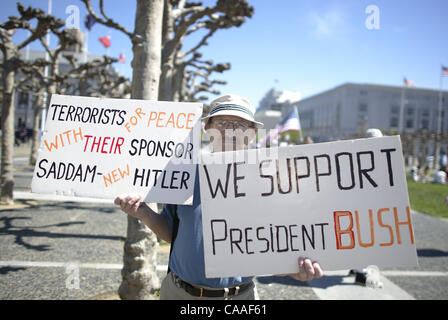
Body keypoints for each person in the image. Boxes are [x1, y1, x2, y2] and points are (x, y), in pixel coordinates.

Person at [114, 94, 323, 300]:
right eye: (222, 122)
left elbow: (270, 247)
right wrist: (145, 214)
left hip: (239, 297)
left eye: (239, 124)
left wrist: (292, 267)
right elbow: (174, 235)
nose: (230, 130)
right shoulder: (185, 174)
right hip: (177, 293)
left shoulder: (268, 182)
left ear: (252, 133)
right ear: (208, 128)